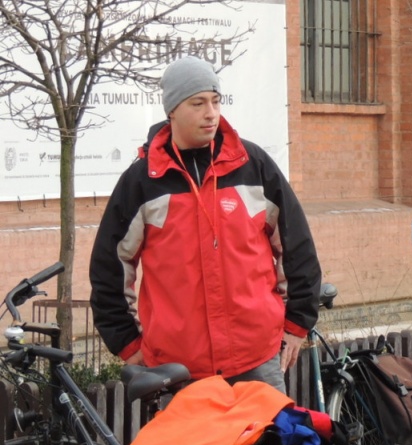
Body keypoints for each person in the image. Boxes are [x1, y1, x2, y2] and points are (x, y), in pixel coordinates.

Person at [90, 56, 322, 394]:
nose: (211, 112)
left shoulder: (253, 165)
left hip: (256, 359)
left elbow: (297, 246)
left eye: (215, 101)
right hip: (179, 369)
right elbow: (110, 266)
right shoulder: (142, 181)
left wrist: (297, 324)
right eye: (198, 103)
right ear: (172, 110)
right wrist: (127, 343)